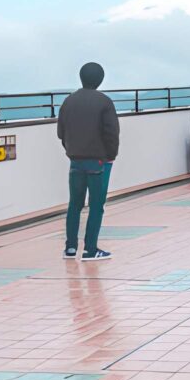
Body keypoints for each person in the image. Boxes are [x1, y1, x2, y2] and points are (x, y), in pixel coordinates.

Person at [57, 62, 120, 261]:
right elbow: (111, 133)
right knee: (96, 205)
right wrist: (111, 155)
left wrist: (70, 150)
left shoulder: (69, 101)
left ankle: (70, 248)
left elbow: (61, 132)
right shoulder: (104, 102)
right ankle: (90, 249)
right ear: (100, 79)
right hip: (99, 161)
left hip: (75, 160)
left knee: (75, 204)